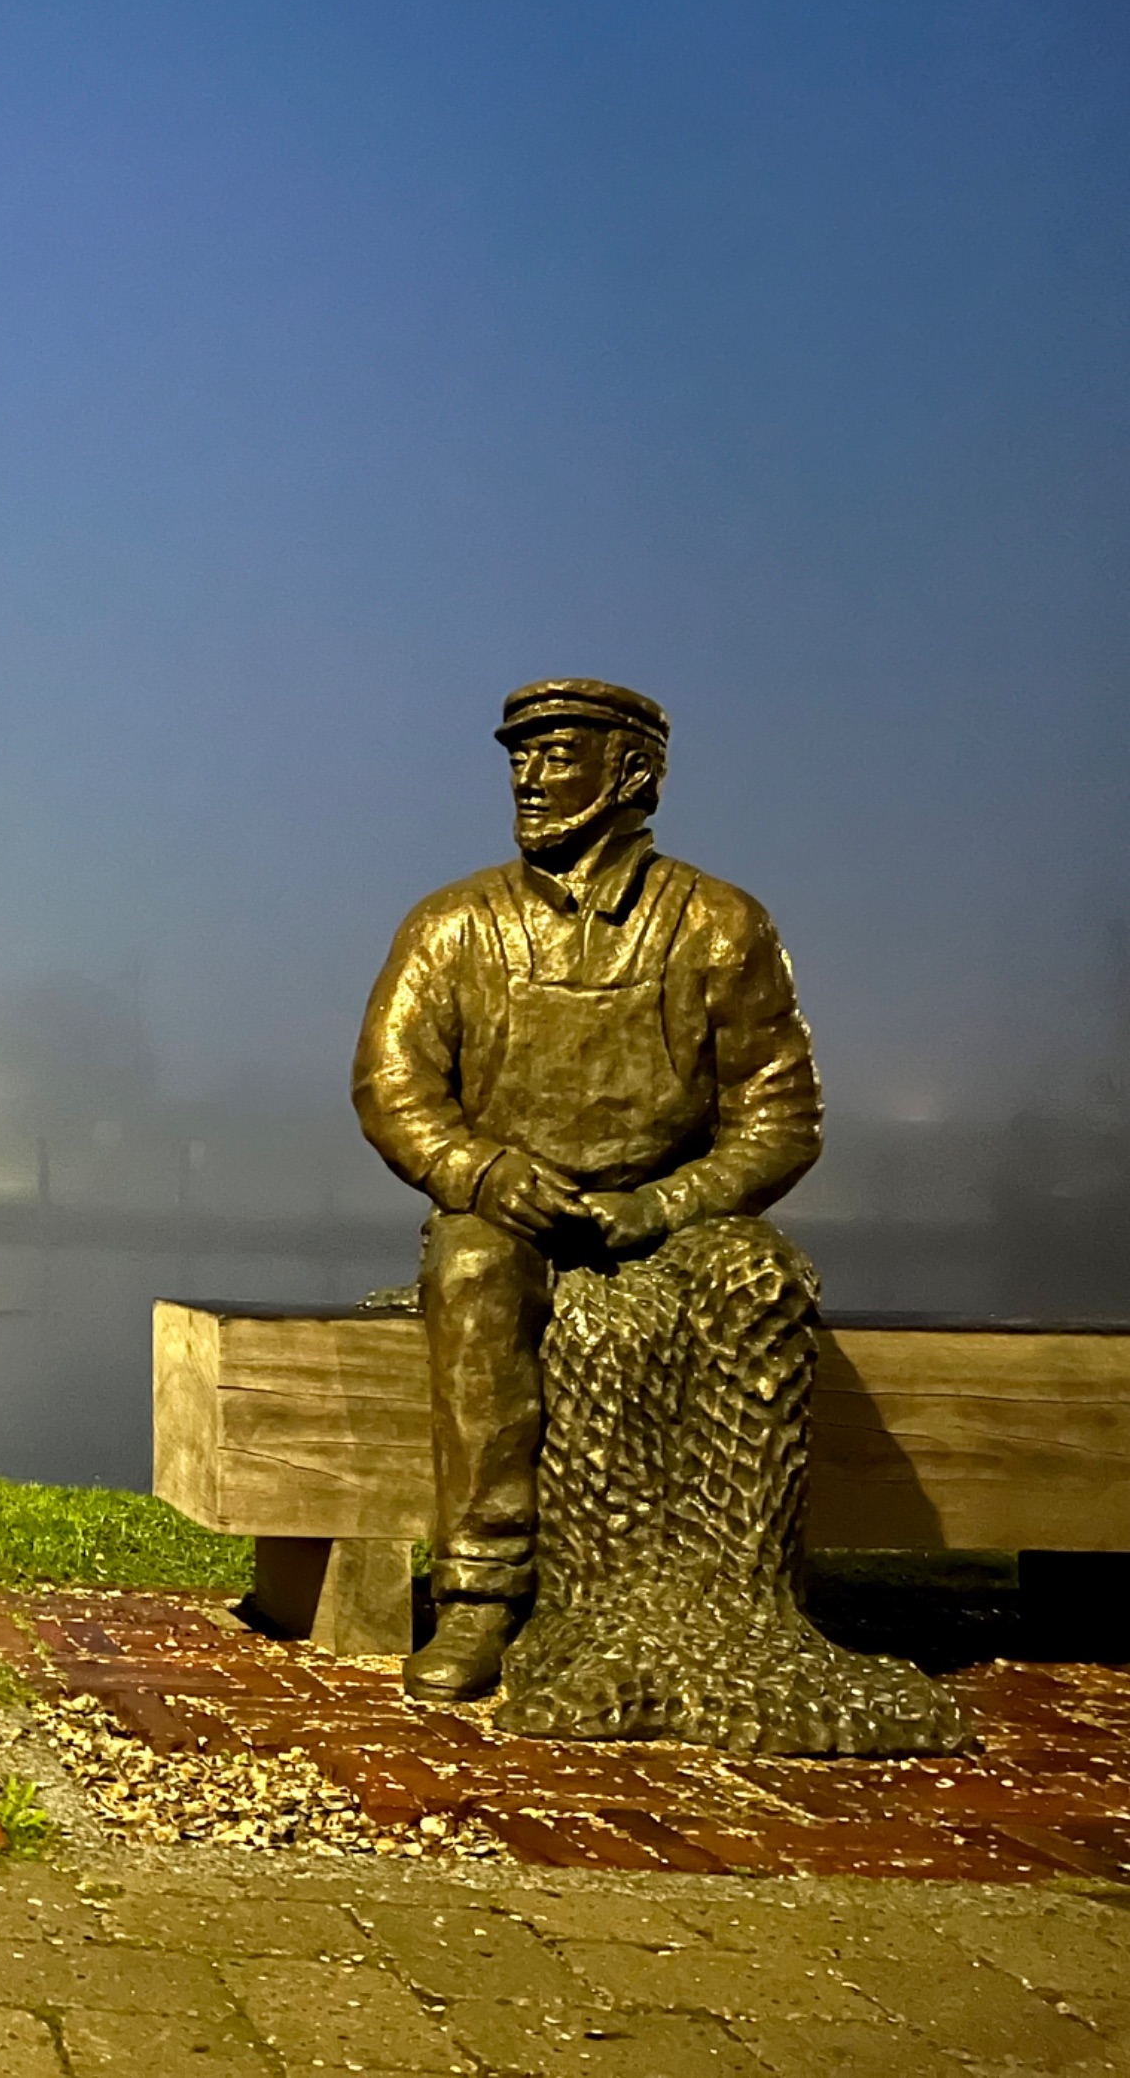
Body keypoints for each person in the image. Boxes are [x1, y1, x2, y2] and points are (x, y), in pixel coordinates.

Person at [351, 679, 822, 1702]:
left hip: (668, 1215)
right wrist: (481, 1172)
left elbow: (781, 1118)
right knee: (472, 1266)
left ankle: (712, 1584)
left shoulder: (720, 927)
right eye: (519, 754)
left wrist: (663, 1206)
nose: (528, 775)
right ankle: (482, 1591)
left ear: (634, 774)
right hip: (506, 1214)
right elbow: (392, 1088)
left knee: (763, 1284)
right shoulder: (454, 926)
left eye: (559, 753)